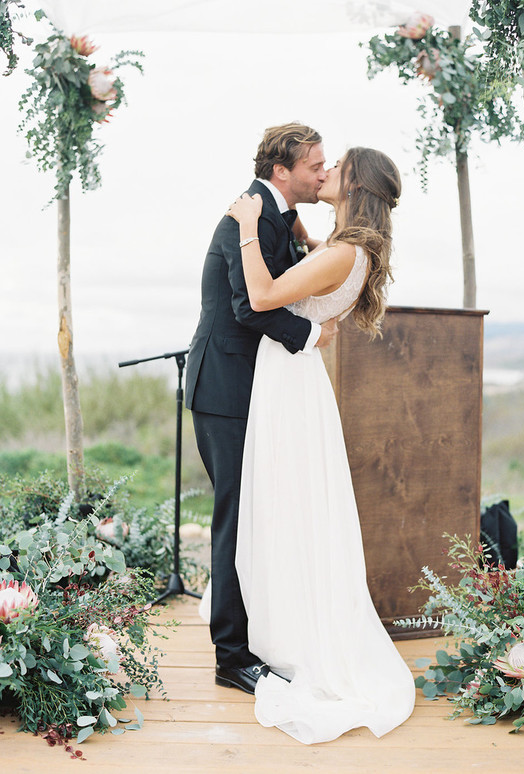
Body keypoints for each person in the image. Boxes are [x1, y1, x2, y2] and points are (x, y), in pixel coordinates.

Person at [227, 146, 416, 744]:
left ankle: (292, 635)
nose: (327, 170)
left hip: (289, 382)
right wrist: (300, 228)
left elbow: (262, 296)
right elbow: (314, 283)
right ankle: (289, 619)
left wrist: (248, 227)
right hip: (297, 379)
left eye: (338, 167)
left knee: (285, 503)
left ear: (355, 183)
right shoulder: (345, 250)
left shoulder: (340, 254)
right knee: (296, 506)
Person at [185, 123, 338, 695]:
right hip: (225, 390)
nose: (323, 173)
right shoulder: (244, 219)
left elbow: (288, 268)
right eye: (314, 165)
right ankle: (231, 657)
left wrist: (307, 237)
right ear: (282, 172)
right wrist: (309, 333)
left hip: (254, 389)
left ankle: (257, 635)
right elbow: (249, 308)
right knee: (235, 519)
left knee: (255, 516)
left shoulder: (274, 216)